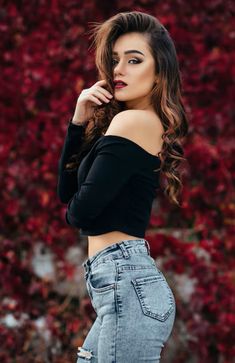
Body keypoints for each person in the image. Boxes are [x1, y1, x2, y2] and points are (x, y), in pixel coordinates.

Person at [57, 10, 188, 363]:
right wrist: (78, 120)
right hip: (121, 284)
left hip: (126, 284)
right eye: (115, 60)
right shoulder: (128, 122)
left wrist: (76, 210)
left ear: (159, 70)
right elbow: (67, 196)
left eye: (134, 60)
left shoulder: (134, 121)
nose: (119, 70)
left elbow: (80, 211)